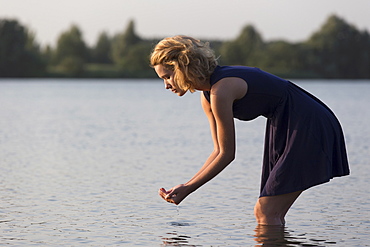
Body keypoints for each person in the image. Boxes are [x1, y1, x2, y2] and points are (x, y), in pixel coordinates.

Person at [150, 35, 350, 226]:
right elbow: (218, 151)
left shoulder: (222, 90)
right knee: (270, 212)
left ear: (183, 68)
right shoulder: (208, 97)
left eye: (168, 76)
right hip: (283, 124)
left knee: (266, 212)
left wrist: (189, 189)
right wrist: (186, 185)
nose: (166, 85)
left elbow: (228, 154)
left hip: (306, 122)